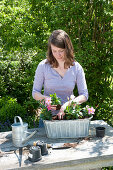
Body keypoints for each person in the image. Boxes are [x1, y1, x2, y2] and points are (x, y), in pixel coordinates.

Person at [32, 29, 88, 122]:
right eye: (54, 51)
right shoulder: (43, 66)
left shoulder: (76, 68)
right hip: (48, 118)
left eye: (61, 51)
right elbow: (35, 93)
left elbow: (84, 95)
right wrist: (46, 99)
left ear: (68, 48)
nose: (58, 54)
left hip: (69, 116)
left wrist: (68, 104)